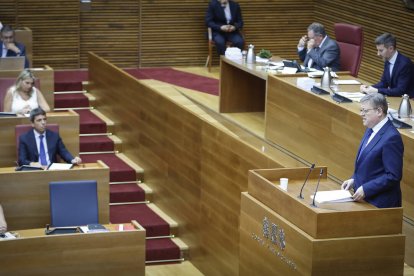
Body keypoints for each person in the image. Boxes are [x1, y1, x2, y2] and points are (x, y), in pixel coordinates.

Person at [341, 93, 403, 208]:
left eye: (365, 111)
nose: (361, 114)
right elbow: (368, 164)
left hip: (380, 204)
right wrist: (354, 179)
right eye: (361, 110)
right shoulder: (371, 129)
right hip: (365, 199)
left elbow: (393, 176)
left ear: (379, 111)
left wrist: (366, 189)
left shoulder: (391, 138)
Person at [18, 108, 82, 168]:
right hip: (35, 171)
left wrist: (72, 160)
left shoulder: (54, 136)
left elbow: (63, 152)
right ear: (32, 124)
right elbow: (22, 160)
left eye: (44, 119)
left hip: (52, 170)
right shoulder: (24, 138)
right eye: (39, 120)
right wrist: (32, 164)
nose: (43, 122)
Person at [360, 33, 414, 97]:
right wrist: (368, 88)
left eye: (381, 50)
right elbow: (384, 83)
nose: (378, 54)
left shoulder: (405, 64)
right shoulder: (388, 60)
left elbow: (400, 90)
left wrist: (377, 91)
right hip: (395, 98)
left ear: (391, 49)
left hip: (408, 101)